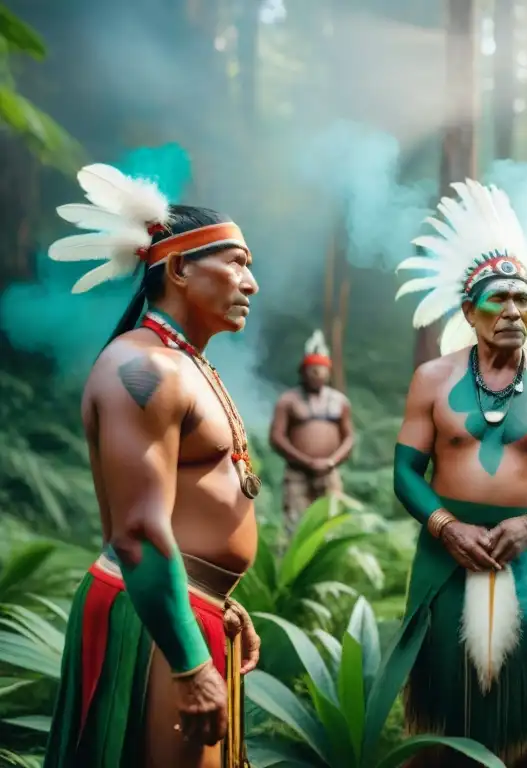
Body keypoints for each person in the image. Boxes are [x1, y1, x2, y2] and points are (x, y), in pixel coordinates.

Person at [362, 180, 527, 768]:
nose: (514, 311)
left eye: (524, 298)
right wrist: (446, 527)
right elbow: (405, 471)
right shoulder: (433, 380)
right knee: (443, 707)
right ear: (469, 311)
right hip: (446, 557)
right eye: (499, 299)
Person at [42, 163, 262, 768]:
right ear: (181, 267)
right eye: (237, 262)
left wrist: (219, 599)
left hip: (190, 608)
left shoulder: (182, 364)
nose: (251, 283)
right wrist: (190, 661)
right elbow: (136, 531)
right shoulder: (141, 368)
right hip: (160, 622)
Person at [269, 329, 354, 532]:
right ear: (303, 371)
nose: (317, 373)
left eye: (321, 369)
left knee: (330, 526)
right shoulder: (288, 401)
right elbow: (276, 437)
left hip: (329, 473)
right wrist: (306, 461)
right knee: (295, 528)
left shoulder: (340, 402)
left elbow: (349, 437)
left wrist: (330, 462)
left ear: (328, 372)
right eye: (312, 369)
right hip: (297, 473)